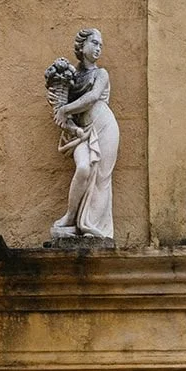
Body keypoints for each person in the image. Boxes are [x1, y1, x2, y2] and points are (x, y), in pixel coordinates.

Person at [49, 27, 120, 240]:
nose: (98, 48)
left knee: (100, 178)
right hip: (82, 131)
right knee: (82, 168)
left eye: (100, 44)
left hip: (105, 127)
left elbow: (92, 97)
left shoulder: (101, 74)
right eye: (94, 43)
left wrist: (65, 109)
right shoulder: (72, 77)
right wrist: (61, 109)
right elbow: (61, 108)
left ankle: (95, 229)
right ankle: (70, 217)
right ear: (82, 46)